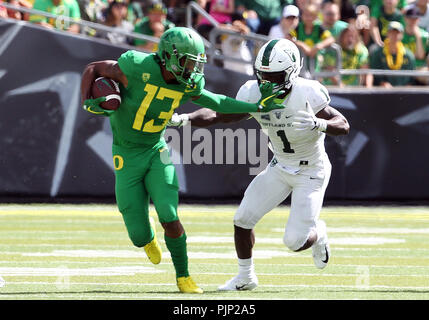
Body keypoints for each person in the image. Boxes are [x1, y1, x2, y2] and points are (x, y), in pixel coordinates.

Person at [80, 27, 285, 294]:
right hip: (126, 154)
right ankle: (147, 237)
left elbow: (218, 102)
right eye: (189, 61)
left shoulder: (188, 82)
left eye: (196, 61)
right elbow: (93, 68)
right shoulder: (135, 65)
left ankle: (184, 276)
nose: (194, 68)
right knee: (138, 235)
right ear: (169, 56)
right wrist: (87, 101)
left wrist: (256, 107)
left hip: (156, 149)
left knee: (169, 213)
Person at [168, 38, 350, 291]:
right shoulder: (252, 91)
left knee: (295, 241)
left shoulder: (307, 92)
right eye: (262, 75)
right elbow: (221, 115)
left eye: (273, 76)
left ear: (291, 72)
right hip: (279, 165)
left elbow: (343, 125)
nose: (266, 82)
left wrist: (320, 124)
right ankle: (246, 276)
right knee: (242, 219)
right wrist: (184, 119)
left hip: (311, 170)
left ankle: (318, 233)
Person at [369, 21, 416, 87]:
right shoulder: (378, 53)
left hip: (404, 92)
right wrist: (382, 83)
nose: (394, 35)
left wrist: (406, 89)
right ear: (387, 33)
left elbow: (412, 78)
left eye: (397, 33)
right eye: (392, 32)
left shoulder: (408, 55)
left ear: (402, 35)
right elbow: (375, 74)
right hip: (383, 92)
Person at [291, 3, 336, 73]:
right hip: (299, 65)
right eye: (306, 15)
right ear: (302, 16)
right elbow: (288, 37)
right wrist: (301, 44)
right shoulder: (298, 27)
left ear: (316, 16)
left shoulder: (318, 28)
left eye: (311, 15)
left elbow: (331, 39)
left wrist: (318, 46)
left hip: (314, 64)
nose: (309, 18)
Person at [402, 6, 429, 84]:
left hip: (418, 67)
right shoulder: (399, 34)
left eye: (415, 19)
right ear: (405, 19)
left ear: (419, 20)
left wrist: (418, 37)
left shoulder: (424, 36)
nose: (412, 21)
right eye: (409, 18)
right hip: (402, 65)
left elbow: (420, 56)